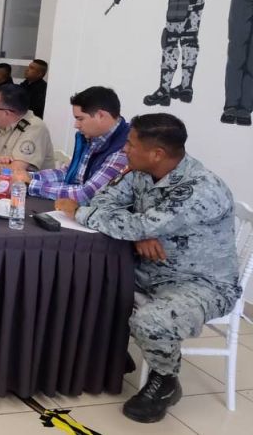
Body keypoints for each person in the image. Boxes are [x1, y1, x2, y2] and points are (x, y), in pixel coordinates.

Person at [66, 114, 240, 424]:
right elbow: (103, 202)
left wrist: (81, 213)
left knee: (151, 322)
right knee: (80, 275)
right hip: (148, 270)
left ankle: (165, 381)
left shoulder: (199, 188)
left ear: (156, 153)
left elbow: (120, 218)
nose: (124, 150)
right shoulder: (141, 173)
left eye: (131, 144)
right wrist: (139, 234)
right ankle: (108, 352)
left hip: (200, 284)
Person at [19, 86, 130, 211]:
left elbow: (87, 194)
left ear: (100, 115)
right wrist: (29, 176)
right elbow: (69, 173)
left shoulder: (125, 146)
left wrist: (31, 184)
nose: (76, 125)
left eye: (80, 119)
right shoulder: (91, 137)